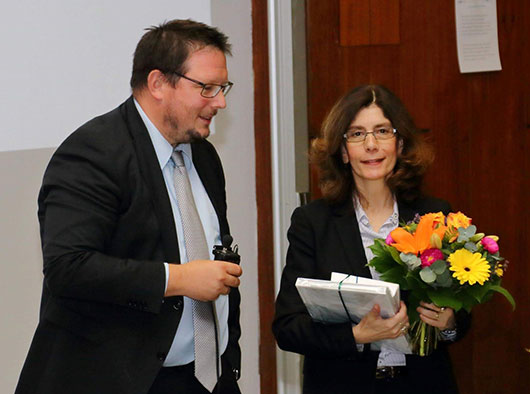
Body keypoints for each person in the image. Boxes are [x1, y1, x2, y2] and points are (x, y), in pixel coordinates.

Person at [15, 20, 243, 394]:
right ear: (158, 83)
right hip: (121, 380)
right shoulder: (93, 153)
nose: (219, 102)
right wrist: (179, 279)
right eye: (206, 88)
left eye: (222, 88)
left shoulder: (203, 156)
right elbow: (68, 267)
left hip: (203, 379)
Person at [272, 85, 471, 394]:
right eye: (356, 134)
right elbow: (288, 328)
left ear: (400, 144)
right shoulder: (313, 223)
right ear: (342, 151)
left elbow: (461, 316)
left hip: (423, 384)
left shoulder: (434, 215)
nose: (371, 145)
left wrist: (448, 323)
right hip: (342, 384)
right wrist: (356, 335)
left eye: (382, 131)